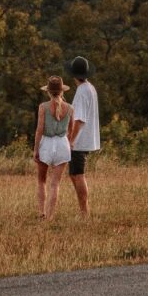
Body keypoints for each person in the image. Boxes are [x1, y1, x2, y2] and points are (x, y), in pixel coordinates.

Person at [33, 75, 72, 221]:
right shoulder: (69, 108)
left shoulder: (43, 107)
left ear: (48, 92)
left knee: (41, 180)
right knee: (55, 183)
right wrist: (68, 142)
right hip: (62, 144)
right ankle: (50, 217)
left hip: (46, 144)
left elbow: (39, 129)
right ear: (62, 91)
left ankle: (42, 213)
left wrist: (36, 149)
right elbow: (71, 130)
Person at [67, 55, 100, 217]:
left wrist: (71, 140)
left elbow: (79, 119)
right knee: (73, 173)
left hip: (79, 141)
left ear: (74, 75)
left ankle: (84, 212)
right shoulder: (90, 88)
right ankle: (83, 210)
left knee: (78, 174)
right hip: (84, 139)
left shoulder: (81, 92)